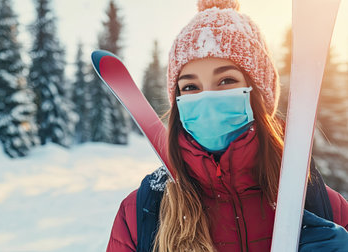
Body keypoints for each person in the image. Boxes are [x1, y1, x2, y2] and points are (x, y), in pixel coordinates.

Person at [106, 0, 348, 251]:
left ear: (257, 93)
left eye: (226, 80)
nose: (208, 96)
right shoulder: (141, 212)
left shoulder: (320, 205)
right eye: (190, 86)